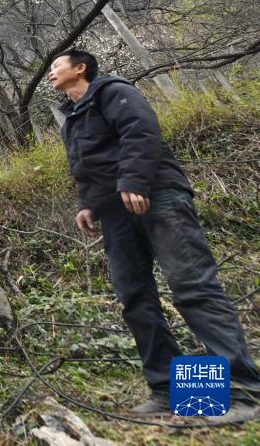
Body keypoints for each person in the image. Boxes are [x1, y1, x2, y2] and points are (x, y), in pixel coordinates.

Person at [49, 49, 260, 422]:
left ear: (80, 68)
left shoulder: (113, 91)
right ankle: (167, 390)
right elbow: (83, 166)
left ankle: (244, 393)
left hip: (157, 195)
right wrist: (86, 203)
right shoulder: (72, 118)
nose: (50, 73)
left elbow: (140, 131)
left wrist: (133, 180)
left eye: (56, 66)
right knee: (134, 297)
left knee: (192, 286)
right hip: (115, 212)